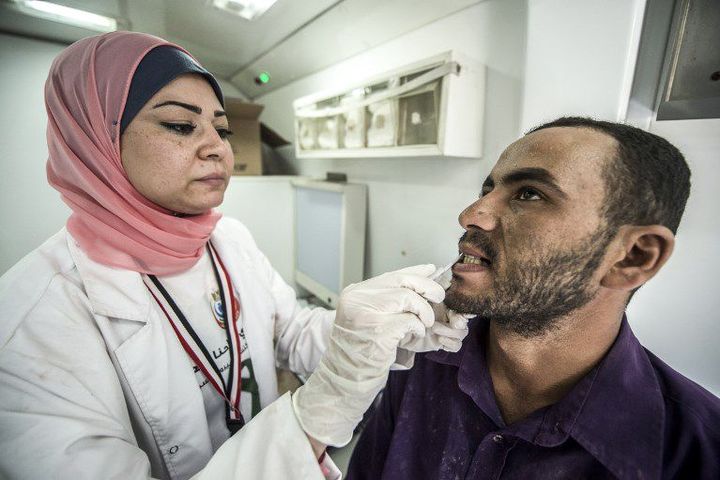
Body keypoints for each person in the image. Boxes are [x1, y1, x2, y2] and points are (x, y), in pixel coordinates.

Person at [0, 31, 469, 479]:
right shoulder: (32, 319)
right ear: (95, 139)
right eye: (181, 125)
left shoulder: (229, 239)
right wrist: (320, 410)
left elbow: (289, 332)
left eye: (221, 129)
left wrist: (382, 331)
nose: (218, 150)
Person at [347, 117, 720, 479]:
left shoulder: (696, 451)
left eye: (529, 194)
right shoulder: (423, 361)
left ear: (633, 256)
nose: (470, 216)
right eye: (486, 190)